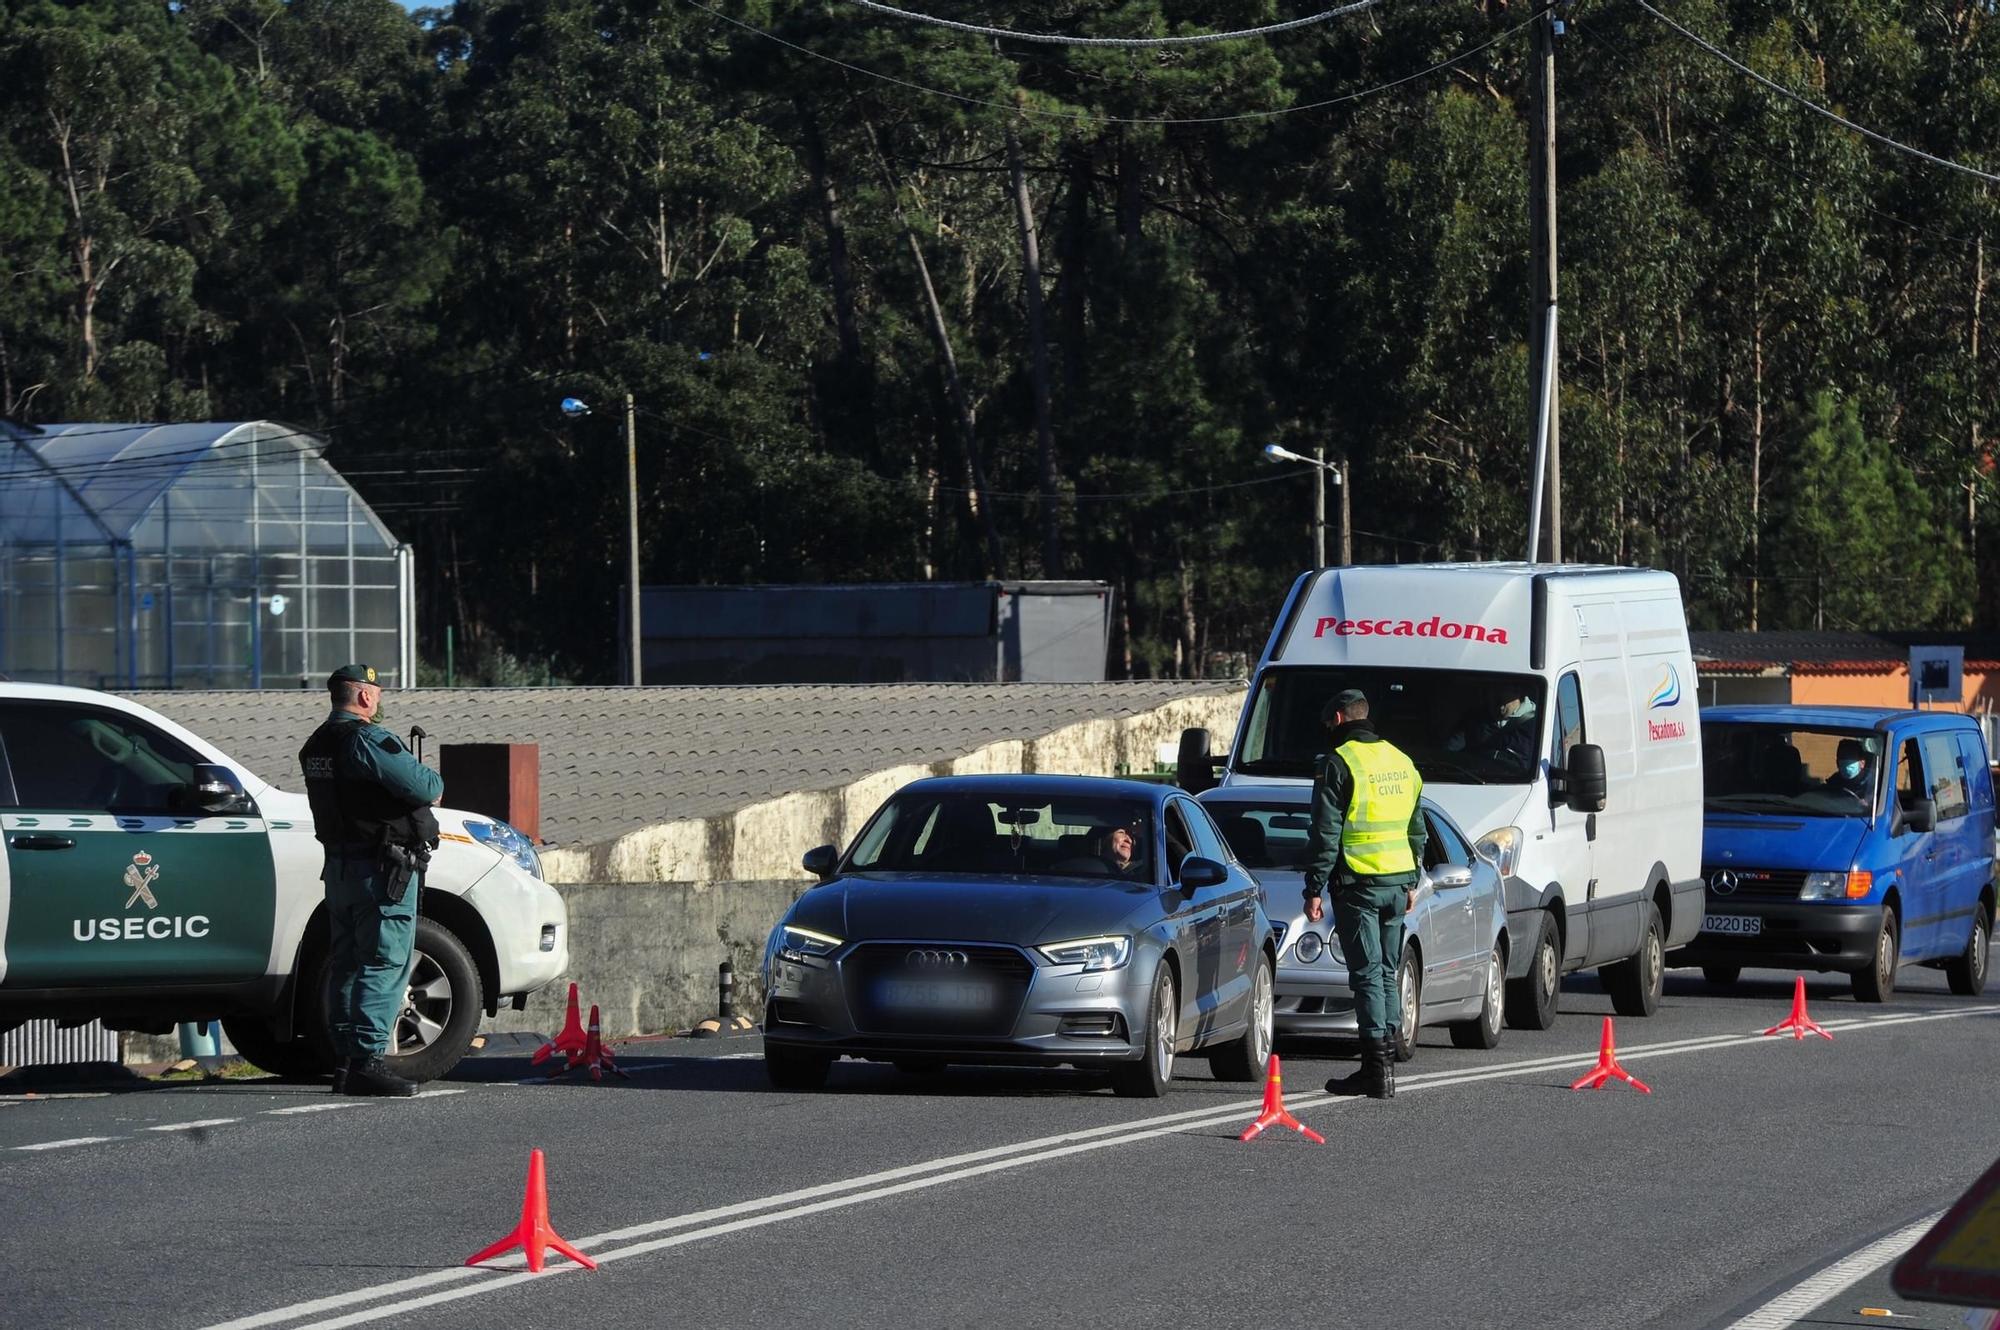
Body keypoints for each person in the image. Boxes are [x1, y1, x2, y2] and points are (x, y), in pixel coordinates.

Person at [298, 664, 442, 1097]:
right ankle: (366, 1061)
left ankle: (345, 1060)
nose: (378, 701)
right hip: (381, 872)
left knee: (347, 962)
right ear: (363, 696)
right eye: (375, 694)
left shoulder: (316, 744)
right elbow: (426, 786)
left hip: (340, 869)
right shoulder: (367, 739)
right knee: (385, 961)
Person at [1302, 688, 1427, 1100]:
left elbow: (1325, 832)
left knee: (1368, 975)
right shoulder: (1401, 761)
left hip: (1359, 881)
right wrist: (1411, 880)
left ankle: (1376, 1071)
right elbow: (1416, 827)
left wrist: (1313, 887)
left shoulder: (1339, 763)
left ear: (1338, 720)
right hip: (1397, 882)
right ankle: (1386, 1064)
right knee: (1387, 971)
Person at [1446, 687, 1539, 766]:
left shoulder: (1537, 725)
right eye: (1491, 695)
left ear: (1516, 692)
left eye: (1500, 698)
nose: (1493, 701)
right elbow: (1451, 751)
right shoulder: (1476, 720)